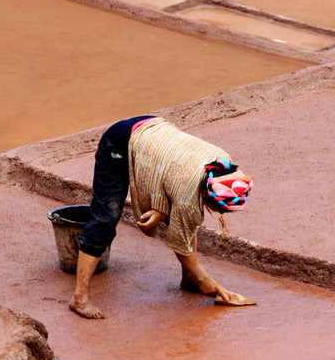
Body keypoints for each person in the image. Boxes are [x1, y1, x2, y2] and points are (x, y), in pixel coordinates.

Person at [69, 115, 256, 319]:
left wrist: (162, 210)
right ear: (204, 193)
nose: (221, 213)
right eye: (219, 208)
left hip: (156, 137)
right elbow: (179, 238)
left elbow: (171, 179)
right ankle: (79, 298)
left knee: (187, 216)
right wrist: (205, 279)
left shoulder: (226, 167)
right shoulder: (189, 189)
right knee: (105, 219)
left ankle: (189, 280)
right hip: (120, 141)